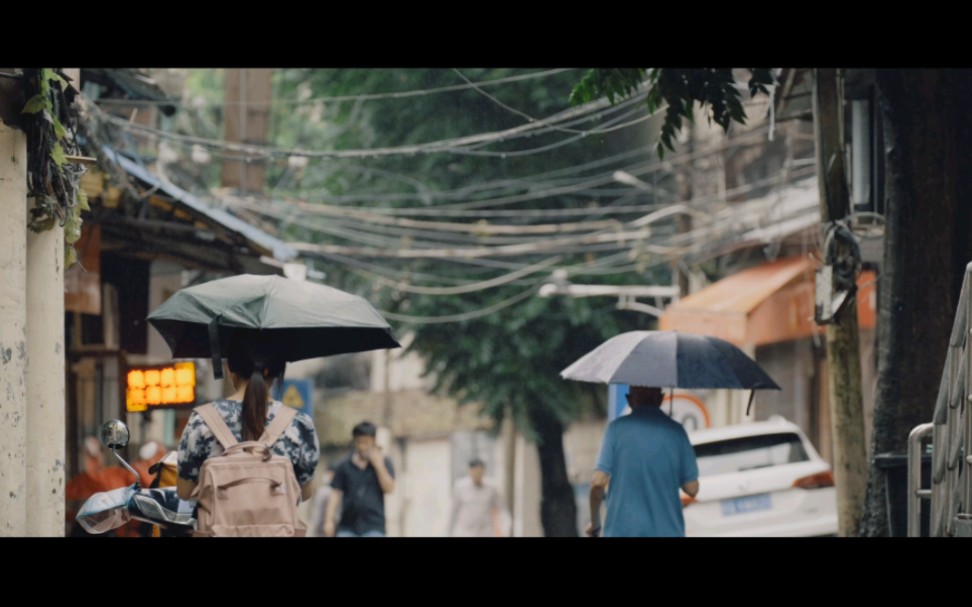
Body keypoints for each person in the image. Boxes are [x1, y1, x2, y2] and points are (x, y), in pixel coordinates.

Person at [176, 338, 320, 506]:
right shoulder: (300, 424)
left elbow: (184, 492)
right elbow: (305, 493)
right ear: (279, 371)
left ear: (229, 368)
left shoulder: (202, 421)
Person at [586, 385, 699, 538]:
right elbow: (692, 488)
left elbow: (598, 482)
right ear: (661, 398)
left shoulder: (616, 430)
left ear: (629, 400)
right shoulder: (676, 431)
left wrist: (595, 523)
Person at [323, 421, 395, 537]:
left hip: (374, 526)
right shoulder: (344, 465)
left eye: (366, 443)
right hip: (348, 526)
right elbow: (335, 493)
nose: (362, 447)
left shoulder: (384, 462)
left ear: (373, 441)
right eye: (359, 442)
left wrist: (379, 466)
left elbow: (389, 489)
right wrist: (328, 521)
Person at [448, 458, 505, 537]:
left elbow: (502, 510)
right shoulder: (460, 487)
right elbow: (453, 512)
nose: (477, 475)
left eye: (479, 472)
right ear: (470, 471)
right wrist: (449, 532)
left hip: (486, 531)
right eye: (474, 472)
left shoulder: (492, 488)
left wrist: (504, 529)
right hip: (465, 532)